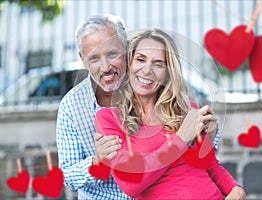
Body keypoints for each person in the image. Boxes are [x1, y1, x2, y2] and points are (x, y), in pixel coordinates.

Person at [56, 14, 221, 199]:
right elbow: (67, 175)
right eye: (94, 58)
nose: (106, 67)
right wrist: (96, 161)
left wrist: (209, 137)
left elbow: (201, 151)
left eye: (112, 54)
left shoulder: (156, 83)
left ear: (127, 48)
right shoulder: (72, 106)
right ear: (82, 59)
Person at [95, 29, 246, 199]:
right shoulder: (108, 118)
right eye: (140, 59)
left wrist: (235, 189)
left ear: (168, 72)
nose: (147, 70)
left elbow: (209, 165)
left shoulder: (186, 109)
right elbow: (131, 185)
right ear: (129, 65)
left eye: (158, 63)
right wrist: (181, 138)